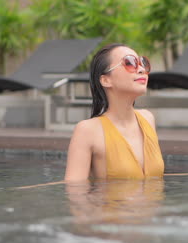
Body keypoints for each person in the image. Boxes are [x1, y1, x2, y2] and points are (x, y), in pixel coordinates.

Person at [64, 43, 164, 181]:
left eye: (142, 63)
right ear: (106, 80)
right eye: (129, 62)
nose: (141, 69)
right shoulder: (87, 131)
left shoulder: (148, 119)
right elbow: (75, 193)